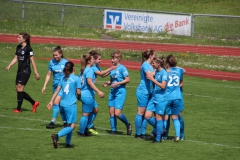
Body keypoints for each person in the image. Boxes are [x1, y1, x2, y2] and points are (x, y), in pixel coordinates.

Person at [48, 61, 81, 148]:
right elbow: (78, 92)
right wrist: (79, 97)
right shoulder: (76, 78)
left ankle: (68, 144)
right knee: (72, 126)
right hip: (71, 105)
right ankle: (57, 136)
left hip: (62, 105)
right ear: (73, 68)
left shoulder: (62, 78)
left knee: (67, 125)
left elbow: (57, 90)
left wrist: (51, 101)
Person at [6, 32, 40, 113]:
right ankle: (34, 103)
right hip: (19, 70)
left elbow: (32, 61)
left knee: (20, 88)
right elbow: (16, 58)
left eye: (19, 37)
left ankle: (18, 109)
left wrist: (36, 72)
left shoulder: (29, 49)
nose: (17, 38)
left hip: (26, 71)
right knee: (18, 89)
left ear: (24, 39)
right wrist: (9, 65)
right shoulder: (18, 47)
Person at [87, 50, 117, 135]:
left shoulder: (96, 66)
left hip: (91, 91)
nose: (101, 61)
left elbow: (103, 75)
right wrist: (111, 68)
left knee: (94, 109)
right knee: (94, 109)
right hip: (88, 91)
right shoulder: (92, 67)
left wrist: (111, 71)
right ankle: (87, 126)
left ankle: (88, 126)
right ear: (94, 59)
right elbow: (100, 74)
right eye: (99, 59)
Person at [102, 51, 132, 135]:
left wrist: (117, 83)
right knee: (111, 112)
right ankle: (113, 130)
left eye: (113, 58)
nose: (111, 60)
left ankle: (128, 124)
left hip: (120, 92)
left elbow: (127, 79)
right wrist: (108, 83)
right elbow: (113, 80)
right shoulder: (112, 68)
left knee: (117, 114)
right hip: (112, 92)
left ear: (118, 59)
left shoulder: (122, 68)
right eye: (111, 58)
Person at [42, 46, 68, 129]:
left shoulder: (66, 63)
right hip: (55, 86)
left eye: (56, 55)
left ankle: (53, 122)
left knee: (58, 103)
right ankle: (65, 122)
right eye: (54, 55)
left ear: (61, 54)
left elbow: (70, 75)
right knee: (59, 104)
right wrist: (44, 85)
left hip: (63, 87)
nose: (55, 57)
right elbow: (49, 74)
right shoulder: (51, 62)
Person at [78, 54, 105, 137]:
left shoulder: (83, 70)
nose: (94, 60)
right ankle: (82, 132)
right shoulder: (89, 70)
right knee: (85, 114)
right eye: (93, 59)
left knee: (95, 109)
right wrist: (98, 91)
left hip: (83, 93)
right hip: (87, 95)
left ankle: (86, 127)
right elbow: (89, 82)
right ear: (89, 61)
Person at [145, 56, 168, 142]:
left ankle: (158, 138)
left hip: (161, 99)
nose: (152, 64)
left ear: (158, 64)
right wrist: (151, 75)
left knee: (158, 118)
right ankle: (161, 129)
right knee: (147, 116)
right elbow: (152, 75)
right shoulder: (157, 71)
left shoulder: (164, 73)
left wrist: (152, 79)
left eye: (154, 63)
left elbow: (163, 86)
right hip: (154, 98)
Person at [134, 49, 155, 139]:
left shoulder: (150, 65)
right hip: (143, 91)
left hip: (149, 91)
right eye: (154, 55)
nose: (154, 56)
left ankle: (143, 133)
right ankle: (138, 134)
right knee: (140, 112)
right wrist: (155, 71)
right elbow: (149, 76)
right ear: (150, 56)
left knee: (146, 113)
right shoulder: (145, 65)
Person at [164, 54, 185, 142]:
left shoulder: (165, 72)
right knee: (175, 118)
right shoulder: (179, 71)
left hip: (168, 97)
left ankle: (164, 136)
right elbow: (185, 70)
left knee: (165, 117)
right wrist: (175, 66)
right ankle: (177, 136)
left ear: (167, 63)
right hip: (177, 97)